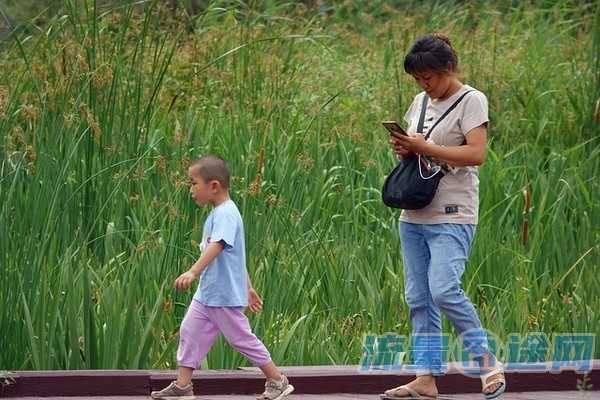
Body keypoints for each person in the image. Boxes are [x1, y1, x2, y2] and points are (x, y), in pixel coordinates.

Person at [381, 34, 506, 399]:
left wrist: (425, 147)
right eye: (418, 79)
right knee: (418, 298)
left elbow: (477, 154)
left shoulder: (472, 100)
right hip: (414, 215)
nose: (425, 85)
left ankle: (487, 364)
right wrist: (406, 148)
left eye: (430, 78)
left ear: (448, 69)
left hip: (453, 213)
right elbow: (420, 153)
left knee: (444, 289)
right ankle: (426, 378)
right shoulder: (419, 102)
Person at [151, 155, 294, 400]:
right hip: (208, 293)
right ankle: (183, 386)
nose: (190, 189)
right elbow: (235, 257)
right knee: (189, 331)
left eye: (194, 183)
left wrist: (193, 271)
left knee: (241, 339)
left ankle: (277, 380)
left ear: (214, 186)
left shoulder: (227, 213)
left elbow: (218, 246)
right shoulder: (218, 214)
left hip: (222, 294)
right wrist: (248, 287)